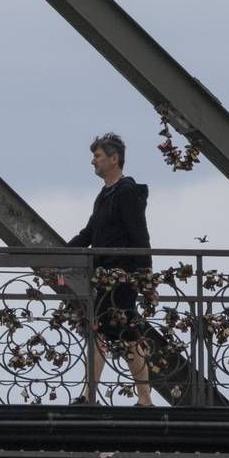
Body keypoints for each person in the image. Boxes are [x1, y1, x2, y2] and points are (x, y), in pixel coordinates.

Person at [65, 133, 154, 406]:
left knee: (121, 334)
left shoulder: (125, 192)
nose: (93, 161)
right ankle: (140, 398)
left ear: (114, 159)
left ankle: (134, 397)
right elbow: (90, 233)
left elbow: (140, 236)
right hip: (106, 277)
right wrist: (61, 252)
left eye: (98, 156)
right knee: (114, 333)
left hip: (121, 276)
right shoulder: (106, 194)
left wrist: (145, 277)